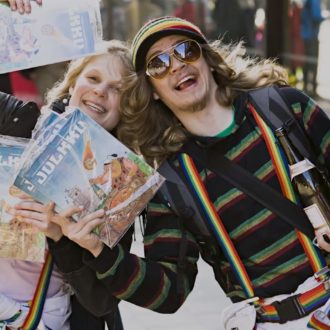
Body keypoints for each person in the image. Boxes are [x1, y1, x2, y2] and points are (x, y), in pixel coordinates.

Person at [14, 16, 330, 329]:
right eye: (158, 64)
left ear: (207, 59)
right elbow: (169, 292)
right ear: (151, 91)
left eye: (186, 51)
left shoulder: (284, 109)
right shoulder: (170, 182)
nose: (176, 65)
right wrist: (97, 250)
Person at [0, 3, 135, 328]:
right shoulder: (20, 122)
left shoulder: (119, 180)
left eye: (117, 89)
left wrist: (60, 237)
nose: (101, 91)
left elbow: (102, 301)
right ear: (73, 83)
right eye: (92, 77)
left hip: (52, 317)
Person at [300, 0, 324, 96]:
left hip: (306, 35)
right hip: (312, 36)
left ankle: (306, 86)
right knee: (312, 63)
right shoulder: (314, 1)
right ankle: (312, 89)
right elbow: (316, 16)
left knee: (306, 62)